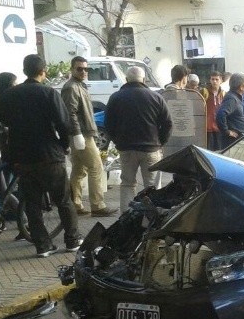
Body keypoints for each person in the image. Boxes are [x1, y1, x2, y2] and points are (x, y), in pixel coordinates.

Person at [0, 54, 82, 257]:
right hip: (49, 155)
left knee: (32, 204)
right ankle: (72, 240)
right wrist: (63, 145)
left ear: (25, 71)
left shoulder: (9, 96)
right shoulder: (49, 93)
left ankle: (43, 246)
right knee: (63, 200)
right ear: (43, 71)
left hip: (22, 158)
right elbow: (64, 123)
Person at [105, 66, 173, 212]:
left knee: (127, 183)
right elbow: (167, 123)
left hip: (126, 148)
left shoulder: (115, 97)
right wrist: (161, 142)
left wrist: (117, 141)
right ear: (143, 79)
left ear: (127, 79)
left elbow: (108, 124)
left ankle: (126, 217)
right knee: (152, 187)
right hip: (151, 148)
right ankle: (151, 220)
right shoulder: (156, 97)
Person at [61, 55, 118, 217]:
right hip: (81, 135)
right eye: (80, 68)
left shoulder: (79, 86)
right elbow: (70, 113)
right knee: (96, 167)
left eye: (86, 69)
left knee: (79, 170)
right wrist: (77, 133)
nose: (84, 71)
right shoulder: (72, 87)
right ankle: (97, 205)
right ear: (72, 69)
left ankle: (76, 204)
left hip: (82, 134)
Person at [215, 72, 244, 146]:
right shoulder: (232, 99)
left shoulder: (235, 97)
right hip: (233, 141)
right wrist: (227, 131)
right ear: (241, 87)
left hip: (240, 139)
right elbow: (220, 114)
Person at [199, 71, 225, 151]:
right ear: (210, 80)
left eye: (217, 79)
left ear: (221, 81)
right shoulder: (204, 92)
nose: (214, 81)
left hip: (219, 127)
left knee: (220, 150)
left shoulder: (224, 93)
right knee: (208, 150)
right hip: (207, 127)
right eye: (212, 79)